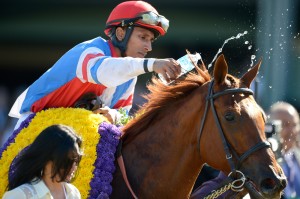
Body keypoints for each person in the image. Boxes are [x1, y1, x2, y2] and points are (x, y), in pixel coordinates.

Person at [8, 1, 181, 127]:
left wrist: (112, 115)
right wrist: (152, 64)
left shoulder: (129, 73)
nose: (148, 47)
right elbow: (105, 72)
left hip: (77, 135)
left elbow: (123, 114)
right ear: (120, 33)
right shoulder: (90, 50)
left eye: (151, 41)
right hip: (35, 127)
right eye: (143, 38)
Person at [3, 124, 82, 199]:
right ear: (45, 159)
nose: (73, 167)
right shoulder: (19, 195)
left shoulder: (74, 193)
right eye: (66, 161)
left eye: (76, 161)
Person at [269, 101, 300, 199]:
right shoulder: (264, 163)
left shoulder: (297, 158)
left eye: (294, 125)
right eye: (285, 124)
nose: (292, 131)